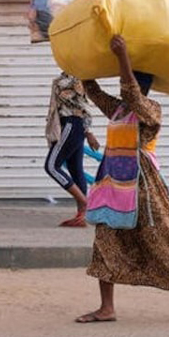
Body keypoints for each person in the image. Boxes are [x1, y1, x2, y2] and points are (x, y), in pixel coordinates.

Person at [77, 34, 169, 326]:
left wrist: (123, 56)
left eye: (133, 83)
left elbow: (131, 91)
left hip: (144, 188)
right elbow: (92, 89)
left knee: (161, 243)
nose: (126, 88)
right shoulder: (119, 110)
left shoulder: (150, 109)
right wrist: (81, 59)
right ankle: (106, 308)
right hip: (113, 185)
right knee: (105, 243)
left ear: (143, 87)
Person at [44, 71, 100, 227]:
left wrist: (88, 132)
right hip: (76, 126)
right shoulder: (76, 77)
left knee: (51, 166)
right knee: (76, 170)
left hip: (70, 124)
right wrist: (88, 132)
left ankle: (84, 203)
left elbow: (81, 105)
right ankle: (81, 215)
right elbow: (83, 106)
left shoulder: (73, 79)